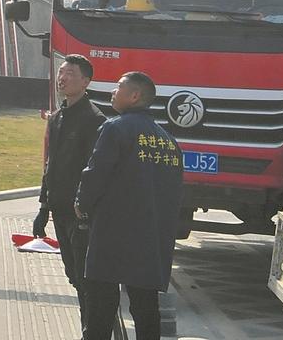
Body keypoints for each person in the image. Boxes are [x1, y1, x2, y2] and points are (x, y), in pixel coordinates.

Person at [75, 71, 184, 340]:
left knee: (101, 303)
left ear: (135, 96)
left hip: (113, 232)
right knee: (146, 306)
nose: (113, 91)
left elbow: (95, 173)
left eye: (118, 87)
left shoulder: (115, 128)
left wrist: (81, 204)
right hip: (151, 235)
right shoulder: (169, 142)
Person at [33, 54, 104, 328]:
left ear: (86, 81)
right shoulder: (58, 117)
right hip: (59, 210)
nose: (63, 78)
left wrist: (83, 207)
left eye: (71, 73)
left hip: (80, 213)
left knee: (86, 278)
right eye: (61, 72)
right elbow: (50, 165)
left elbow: (93, 169)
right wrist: (43, 207)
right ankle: (89, 327)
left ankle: (93, 330)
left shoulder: (94, 120)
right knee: (73, 275)